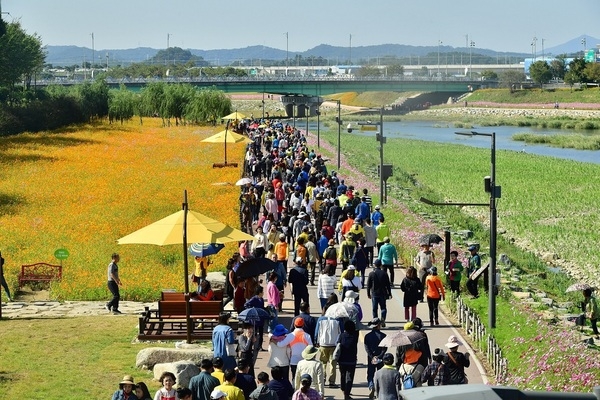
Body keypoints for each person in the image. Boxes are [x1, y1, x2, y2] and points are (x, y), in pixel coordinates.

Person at [314, 309, 342, 388]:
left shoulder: (320, 319)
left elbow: (316, 332)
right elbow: (341, 332)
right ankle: (332, 381)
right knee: (333, 363)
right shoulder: (337, 320)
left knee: (323, 363)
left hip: (323, 344)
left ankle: (323, 379)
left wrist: (316, 341)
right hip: (333, 344)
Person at [364, 318, 387, 399]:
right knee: (380, 374)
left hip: (371, 358)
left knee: (370, 374)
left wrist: (372, 356)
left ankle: (371, 386)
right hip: (380, 358)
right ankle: (379, 389)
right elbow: (385, 349)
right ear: (378, 326)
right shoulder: (383, 336)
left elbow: (367, 348)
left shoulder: (367, 336)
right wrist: (379, 356)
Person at [338, 320, 359, 400]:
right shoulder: (355, 336)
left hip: (342, 359)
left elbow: (338, 343)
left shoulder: (342, 336)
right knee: (350, 377)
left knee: (342, 375)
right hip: (351, 360)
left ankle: (343, 389)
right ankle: (347, 393)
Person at [367, 259, 392, 325]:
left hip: (374, 293)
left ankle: (375, 320)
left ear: (374, 265)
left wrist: (368, 293)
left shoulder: (371, 273)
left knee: (375, 308)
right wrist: (389, 293)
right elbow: (388, 285)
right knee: (383, 307)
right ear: (381, 265)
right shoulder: (384, 273)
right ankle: (383, 319)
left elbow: (368, 285)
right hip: (383, 293)